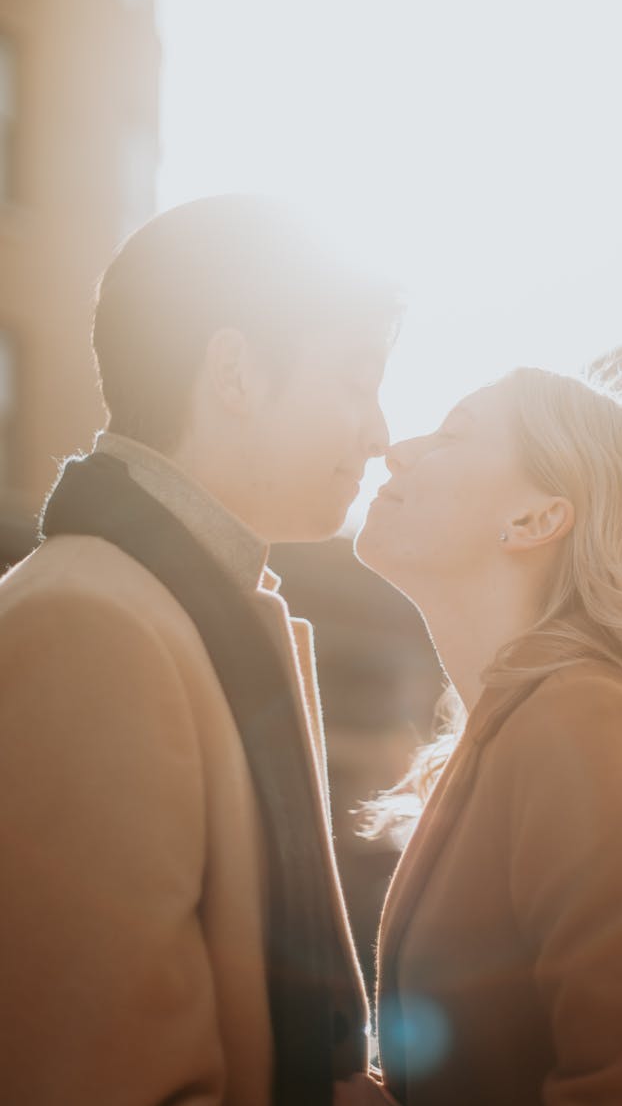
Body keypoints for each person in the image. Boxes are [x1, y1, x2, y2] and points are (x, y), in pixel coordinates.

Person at [0, 195, 401, 1106]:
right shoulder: (87, 629)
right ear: (236, 373)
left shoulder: (192, 610)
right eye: (355, 375)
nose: (379, 431)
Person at [348, 361, 622, 1105]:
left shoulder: (584, 722)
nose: (398, 450)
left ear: (536, 520)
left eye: (452, 434)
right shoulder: (526, 729)